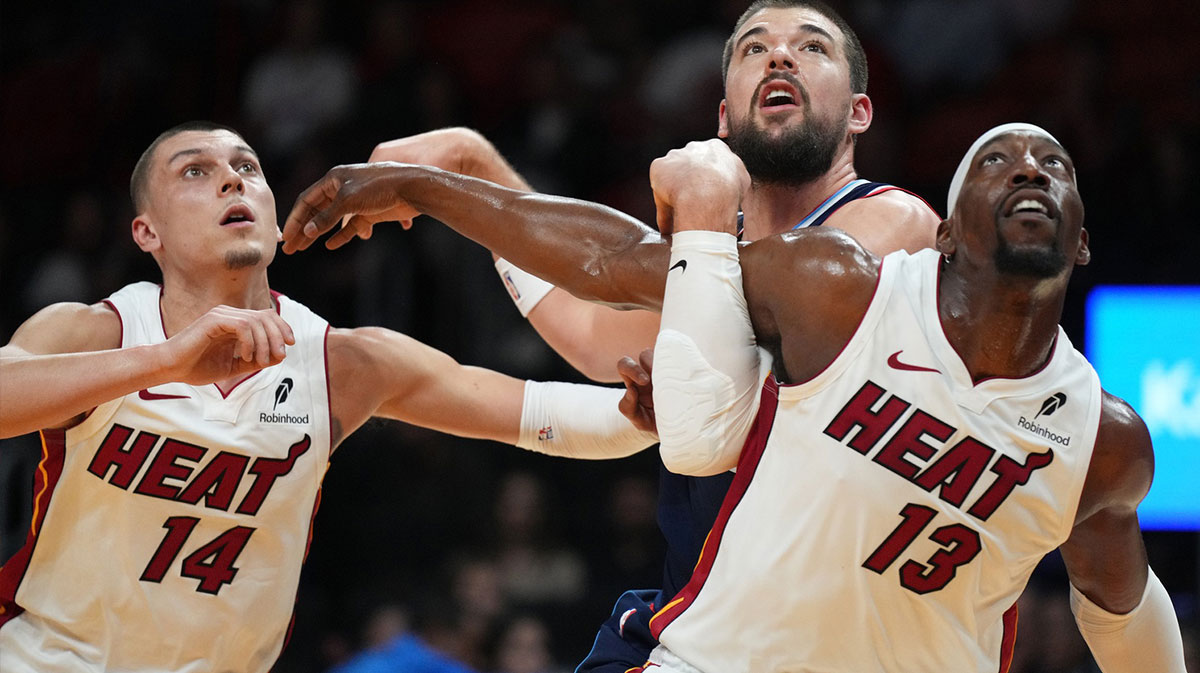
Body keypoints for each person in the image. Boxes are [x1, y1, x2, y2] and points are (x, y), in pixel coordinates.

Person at [285, 123, 1188, 671]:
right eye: (1001, 160)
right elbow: (620, 266)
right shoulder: (842, 290)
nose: (1032, 171)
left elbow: (1122, 610)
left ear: (1081, 246)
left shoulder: (1103, 442)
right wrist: (427, 189)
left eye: (1055, 165)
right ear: (947, 232)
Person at [285, 2, 939, 669]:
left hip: (841, 633)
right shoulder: (707, 253)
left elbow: (619, 270)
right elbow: (593, 328)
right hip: (700, 622)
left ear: (859, 111)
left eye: (811, 48)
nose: (779, 56)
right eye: (753, 49)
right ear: (723, 117)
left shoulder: (894, 226)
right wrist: (472, 166)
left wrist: (443, 187)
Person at [0, 122, 659, 673]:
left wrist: (639, 416)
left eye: (247, 167)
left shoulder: (337, 360)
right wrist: (168, 359)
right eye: (194, 172)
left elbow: (541, 414)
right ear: (148, 233)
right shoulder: (95, 331)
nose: (233, 179)